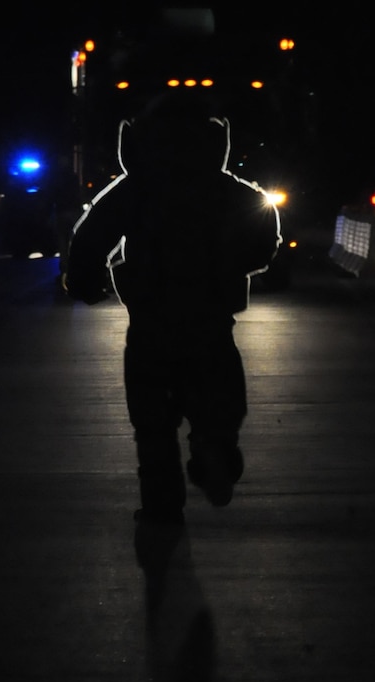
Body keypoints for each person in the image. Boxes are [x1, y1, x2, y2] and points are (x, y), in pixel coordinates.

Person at [63, 91, 282, 525]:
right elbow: (263, 236)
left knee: (152, 423)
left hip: (151, 319)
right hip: (210, 317)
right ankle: (214, 448)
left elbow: (90, 238)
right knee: (219, 404)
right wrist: (233, 264)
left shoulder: (133, 190)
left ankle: (162, 509)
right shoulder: (226, 189)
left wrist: (86, 283)